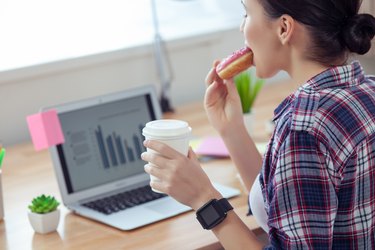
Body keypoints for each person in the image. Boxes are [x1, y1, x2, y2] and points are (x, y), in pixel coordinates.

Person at [141, 0, 375, 248]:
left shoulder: (303, 127)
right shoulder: (367, 90)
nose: (242, 28)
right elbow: (286, 207)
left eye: (246, 14)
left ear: (284, 28)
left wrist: (203, 198)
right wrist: (232, 131)